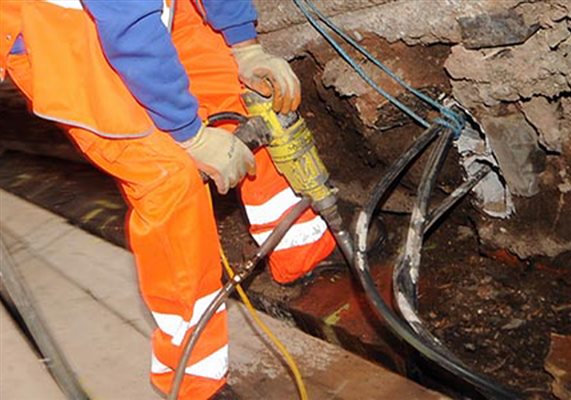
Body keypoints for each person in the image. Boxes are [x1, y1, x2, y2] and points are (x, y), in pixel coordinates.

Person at [1, 0, 336, 398]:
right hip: (61, 36)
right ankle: (194, 376)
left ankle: (301, 251)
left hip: (144, 14)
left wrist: (245, 47)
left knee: (244, 94)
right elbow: (129, 31)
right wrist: (190, 134)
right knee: (169, 179)